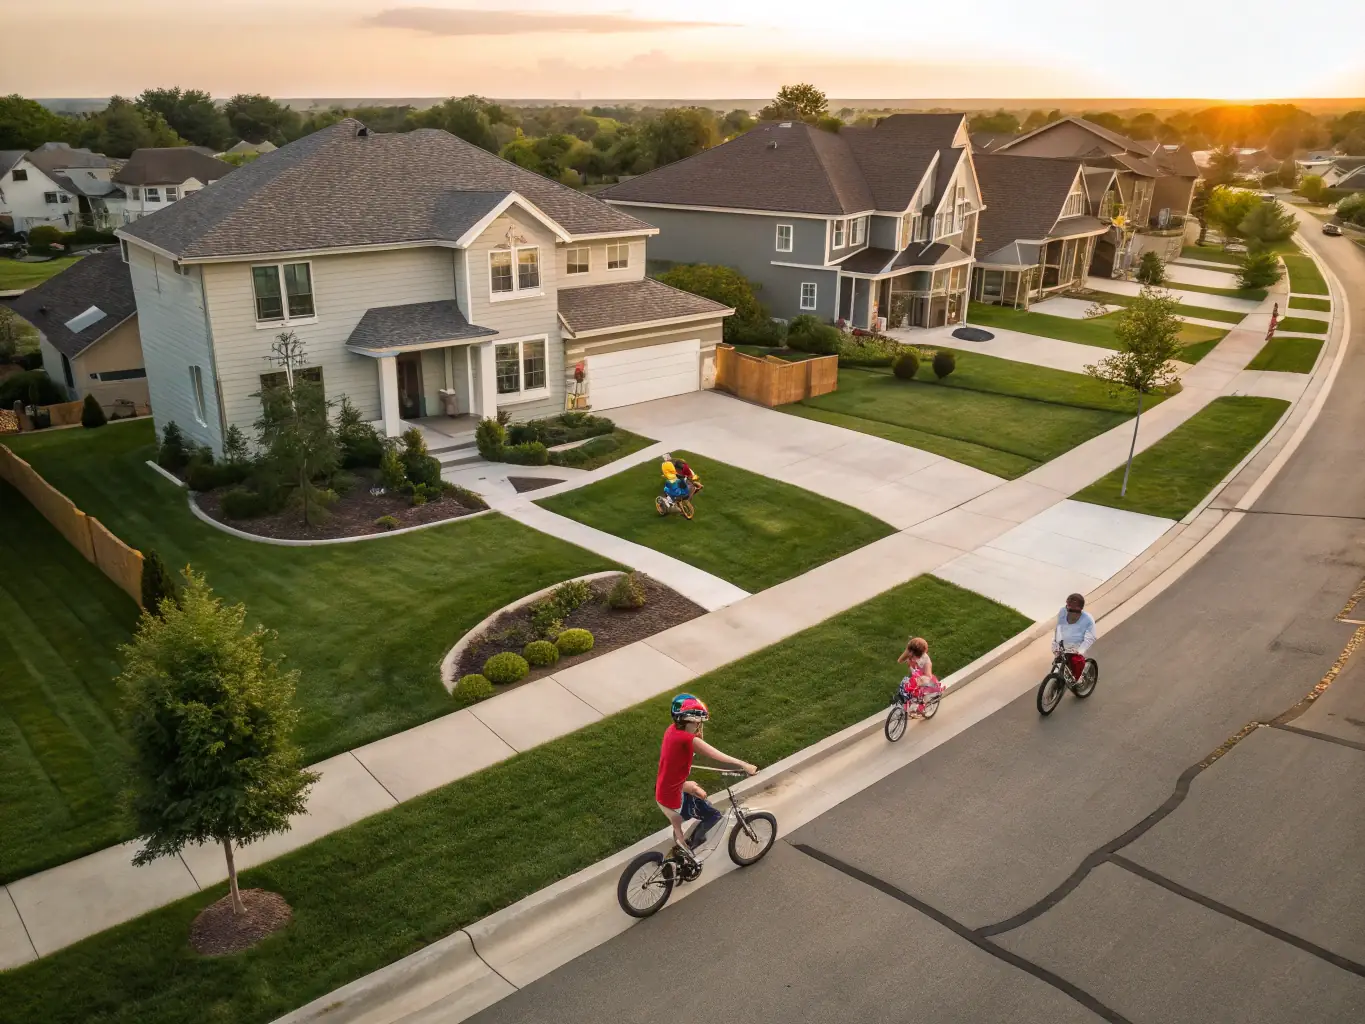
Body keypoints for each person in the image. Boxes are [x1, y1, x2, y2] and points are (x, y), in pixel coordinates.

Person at [656, 694, 757, 856]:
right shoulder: (688, 741)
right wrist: (744, 765)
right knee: (713, 815)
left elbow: (675, 763)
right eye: (697, 722)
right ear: (689, 720)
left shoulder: (672, 730)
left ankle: (682, 842)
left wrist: (686, 785)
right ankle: (690, 850)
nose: (699, 725)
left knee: (699, 795)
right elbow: (716, 755)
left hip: (666, 789)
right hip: (673, 799)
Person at [1054, 593, 1097, 682]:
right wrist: (1056, 645)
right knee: (1058, 667)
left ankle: (1079, 678)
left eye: (1074, 611)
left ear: (1080, 610)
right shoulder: (1062, 612)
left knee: (1076, 661)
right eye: (1068, 609)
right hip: (1064, 643)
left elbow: (1091, 637)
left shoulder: (1088, 619)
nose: (1070, 613)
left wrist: (1080, 650)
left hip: (1079, 645)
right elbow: (1058, 629)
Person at [896, 637, 939, 711]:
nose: (910, 655)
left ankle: (920, 707)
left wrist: (918, 682)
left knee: (916, 695)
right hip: (915, 676)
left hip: (923, 680)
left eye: (913, 655)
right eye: (909, 651)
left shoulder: (926, 662)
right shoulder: (910, 651)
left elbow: (928, 677)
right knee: (904, 685)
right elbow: (900, 660)